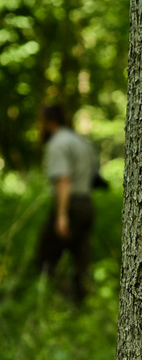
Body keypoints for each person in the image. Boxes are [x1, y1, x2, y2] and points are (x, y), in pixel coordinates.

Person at [35, 105, 99, 303]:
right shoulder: (81, 141)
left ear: (50, 122)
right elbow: (96, 176)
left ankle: (57, 301)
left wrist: (61, 215)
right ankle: (80, 304)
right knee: (80, 258)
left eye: (41, 122)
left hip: (69, 206)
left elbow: (63, 180)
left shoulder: (57, 143)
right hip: (86, 204)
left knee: (44, 259)